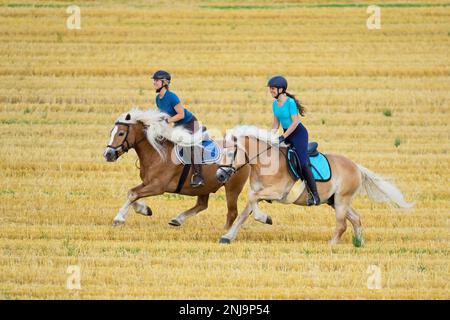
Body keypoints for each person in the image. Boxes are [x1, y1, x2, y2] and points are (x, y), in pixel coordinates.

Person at [268, 75, 320, 205]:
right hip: (286, 133)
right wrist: (269, 136)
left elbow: (295, 122)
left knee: (302, 163)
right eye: (270, 89)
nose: (271, 91)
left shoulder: (290, 103)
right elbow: (276, 124)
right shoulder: (274, 104)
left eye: (273, 89)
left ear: (281, 89)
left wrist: (283, 137)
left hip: (298, 134)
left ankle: (314, 195)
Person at [152, 70, 205, 188]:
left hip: (189, 123)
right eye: (154, 80)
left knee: (187, 143)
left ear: (164, 82)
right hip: (178, 125)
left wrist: (166, 121)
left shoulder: (172, 97)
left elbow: (180, 115)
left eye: (156, 80)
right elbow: (160, 114)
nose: (154, 82)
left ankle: (198, 175)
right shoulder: (158, 98)